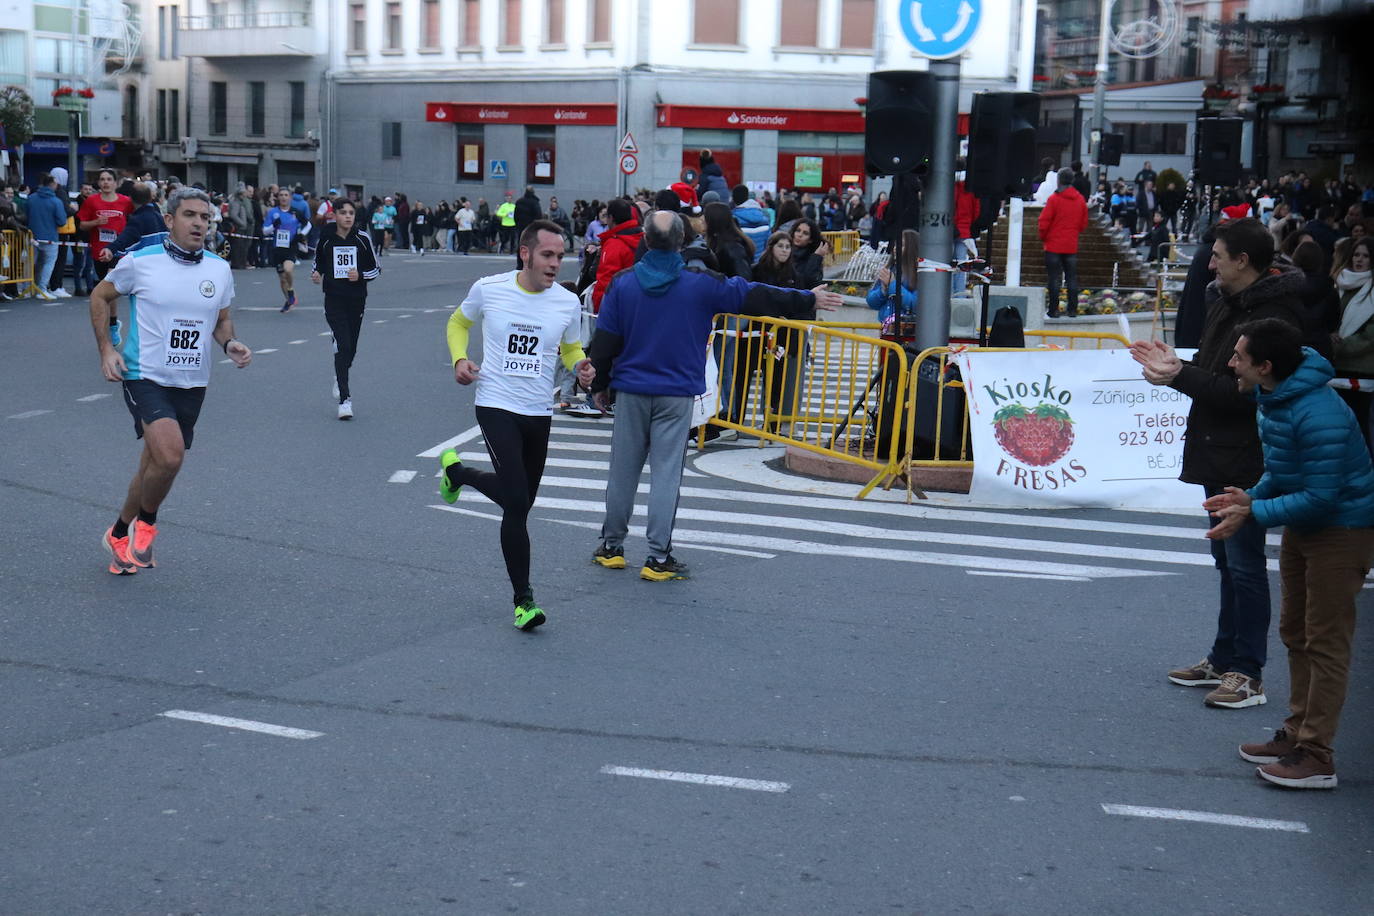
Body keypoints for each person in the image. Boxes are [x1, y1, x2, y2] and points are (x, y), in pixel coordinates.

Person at [587, 210, 841, 580]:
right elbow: (755, 295)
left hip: (630, 389)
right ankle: (658, 557)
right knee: (666, 474)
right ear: (681, 241)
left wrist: (599, 386)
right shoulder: (701, 283)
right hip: (676, 394)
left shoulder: (624, 284)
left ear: (645, 239)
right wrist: (806, 299)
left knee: (623, 471)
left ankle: (612, 547)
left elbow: (605, 342)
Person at [1130, 217, 1305, 709]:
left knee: (1246, 564)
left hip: (1248, 452)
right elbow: (1213, 373)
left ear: (1244, 261)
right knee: (1227, 561)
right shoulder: (1224, 301)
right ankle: (1225, 657)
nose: (1210, 264)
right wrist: (1177, 365)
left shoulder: (1274, 318)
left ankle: (1247, 672)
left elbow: (1244, 393)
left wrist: (1178, 375)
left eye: (1218, 256)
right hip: (1217, 443)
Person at [1209, 318, 1374, 788]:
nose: (1231, 362)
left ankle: (1317, 755)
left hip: (1342, 530)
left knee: (1325, 641)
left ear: (1265, 366)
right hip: (1310, 525)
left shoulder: (1316, 411)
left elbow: (1322, 495)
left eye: (1240, 356)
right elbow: (1283, 471)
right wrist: (1250, 497)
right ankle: (1297, 733)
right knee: (1296, 631)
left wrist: (1254, 509)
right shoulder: (1276, 398)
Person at [438, 220, 595, 631]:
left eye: (560, 256)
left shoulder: (566, 302)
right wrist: (459, 359)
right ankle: (523, 600)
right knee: (517, 503)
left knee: (521, 498)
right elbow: (458, 323)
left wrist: (579, 365)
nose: (555, 264)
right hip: (495, 404)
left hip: (538, 412)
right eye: (547, 255)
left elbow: (571, 345)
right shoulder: (490, 289)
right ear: (525, 253)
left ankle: (458, 473)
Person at [90, 187, 251, 576]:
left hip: (192, 379)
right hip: (144, 372)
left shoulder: (218, 269)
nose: (199, 223)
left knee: (155, 463)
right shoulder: (141, 262)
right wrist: (107, 350)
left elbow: (221, 319)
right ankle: (147, 523)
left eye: (205, 218)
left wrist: (229, 343)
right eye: (190, 216)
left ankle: (118, 532)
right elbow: (99, 295)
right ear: (169, 220)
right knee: (171, 454)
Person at [311, 198, 381, 420]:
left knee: (350, 349)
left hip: (356, 298)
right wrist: (316, 273)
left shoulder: (362, 238)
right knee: (343, 345)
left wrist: (360, 275)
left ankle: (339, 374)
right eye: (344, 213)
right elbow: (318, 262)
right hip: (333, 298)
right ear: (335, 215)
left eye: (351, 213)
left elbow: (376, 269)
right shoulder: (326, 237)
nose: (348, 217)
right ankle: (345, 399)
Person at [77, 168, 134, 341]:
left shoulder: (126, 202)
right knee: (105, 289)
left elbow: (134, 221)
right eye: (102, 179)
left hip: (118, 249)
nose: (106, 182)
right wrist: (95, 222)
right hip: (99, 249)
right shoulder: (92, 201)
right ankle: (112, 323)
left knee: (111, 282)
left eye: (109, 179)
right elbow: (82, 225)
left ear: (116, 183)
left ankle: (113, 324)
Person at [1329, 237, 1374, 451]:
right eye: (1357, 255)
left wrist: (1341, 345)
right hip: (1334, 368)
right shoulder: (1339, 283)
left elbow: (1370, 336)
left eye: (1365, 256)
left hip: (1361, 370)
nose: (1359, 260)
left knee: (1359, 428)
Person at [1037, 167, 1089, 318]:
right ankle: (1072, 310)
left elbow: (1044, 222)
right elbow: (1083, 223)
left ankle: (1054, 310)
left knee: (1054, 278)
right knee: (1072, 278)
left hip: (1053, 245)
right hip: (1071, 245)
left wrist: (1044, 237)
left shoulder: (1054, 199)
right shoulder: (1080, 199)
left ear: (1058, 180)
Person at [590, 198, 642, 314]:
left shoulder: (614, 244)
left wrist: (598, 308)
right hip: (637, 304)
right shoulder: (642, 237)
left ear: (611, 218)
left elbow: (606, 280)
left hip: (615, 308)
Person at [866, 228, 921, 332]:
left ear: (912, 249)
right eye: (896, 245)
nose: (895, 248)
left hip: (906, 331)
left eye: (902, 245)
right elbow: (871, 302)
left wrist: (892, 285)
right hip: (886, 330)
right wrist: (883, 290)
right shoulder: (890, 270)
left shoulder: (919, 275)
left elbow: (914, 304)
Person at [24, 173, 67, 301]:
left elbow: (26, 215)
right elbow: (61, 221)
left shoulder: (31, 198)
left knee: (31, 263)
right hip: (50, 237)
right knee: (48, 263)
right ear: (53, 185)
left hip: (32, 236)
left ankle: (27, 288)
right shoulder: (56, 201)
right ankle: (41, 288)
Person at [263, 187, 303, 312]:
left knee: (288, 269)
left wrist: (300, 235)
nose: (284, 197)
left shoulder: (295, 212)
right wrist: (273, 226)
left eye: (286, 195)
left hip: (290, 247)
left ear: (290, 197)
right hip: (277, 248)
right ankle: (288, 300)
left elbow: (308, 225)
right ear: (278, 197)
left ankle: (290, 290)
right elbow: (264, 231)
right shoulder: (272, 212)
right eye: (281, 195)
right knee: (282, 279)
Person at [731, 184, 771, 264]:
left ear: (733, 200)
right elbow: (769, 243)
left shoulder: (732, 220)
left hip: (741, 266)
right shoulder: (764, 219)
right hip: (760, 264)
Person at [512, 187, 542, 268]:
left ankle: (520, 264)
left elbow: (515, 215)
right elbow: (538, 216)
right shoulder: (535, 202)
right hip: (532, 228)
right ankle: (531, 263)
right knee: (532, 246)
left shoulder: (519, 201)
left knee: (521, 245)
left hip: (521, 227)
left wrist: (518, 225)